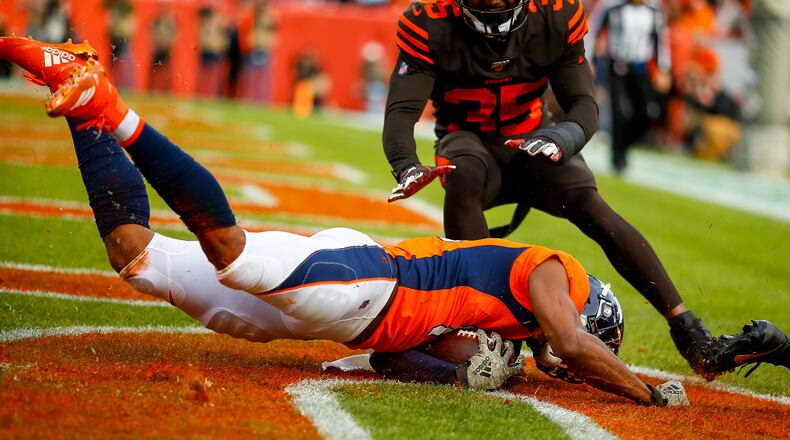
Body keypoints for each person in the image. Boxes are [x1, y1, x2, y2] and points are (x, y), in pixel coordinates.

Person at [0, 36, 786, 406]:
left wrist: (461, 368)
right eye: (557, 339)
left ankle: (83, 99)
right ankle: (118, 114)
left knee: (137, 260)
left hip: (360, 316)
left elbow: (395, 359)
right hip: (367, 281)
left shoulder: (495, 324)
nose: (547, 351)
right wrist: (648, 392)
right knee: (233, 254)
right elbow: (576, 347)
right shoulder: (555, 274)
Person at [379, 0, 742, 380]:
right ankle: (491, 334)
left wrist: (561, 137)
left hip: (533, 137)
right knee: (463, 175)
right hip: (467, 141)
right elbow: (401, 112)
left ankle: (688, 329)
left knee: (588, 202)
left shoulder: (555, 12)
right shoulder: (429, 22)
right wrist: (406, 165)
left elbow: (583, 103)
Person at [588, 0, 672, 173]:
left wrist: (663, 68)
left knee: (648, 112)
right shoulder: (611, 6)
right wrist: (589, 60)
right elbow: (592, 31)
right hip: (617, 66)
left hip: (640, 68)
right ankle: (618, 158)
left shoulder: (655, 11)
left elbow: (661, 40)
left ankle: (623, 145)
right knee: (618, 113)